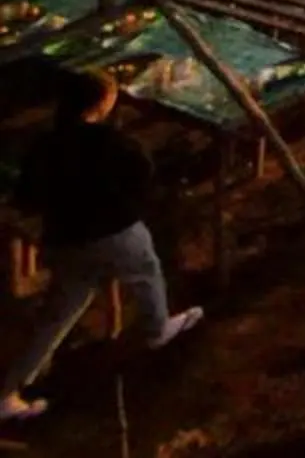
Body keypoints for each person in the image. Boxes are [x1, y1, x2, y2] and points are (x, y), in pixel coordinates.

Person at [1, 69, 203, 424]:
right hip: (113, 231)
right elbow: (143, 173)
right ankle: (157, 330)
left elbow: (26, 198)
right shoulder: (112, 142)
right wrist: (124, 205)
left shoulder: (45, 144)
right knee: (145, 270)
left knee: (58, 317)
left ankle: (7, 393)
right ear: (101, 103)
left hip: (66, 242)